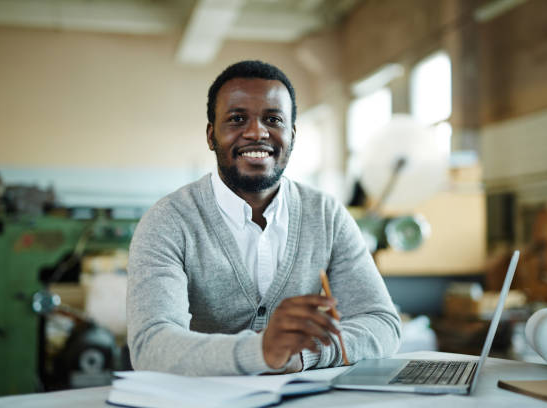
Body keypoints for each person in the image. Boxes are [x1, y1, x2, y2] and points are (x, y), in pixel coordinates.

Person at [127, 60, 401, 376]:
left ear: (292, 135)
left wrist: (302, 355)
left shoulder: (327, 216)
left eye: (273, 119)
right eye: (237, 119)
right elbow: (151, 346)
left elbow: (382, 323)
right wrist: (261, 352)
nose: (257, 132)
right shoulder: (167, 222)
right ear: (211, 135)